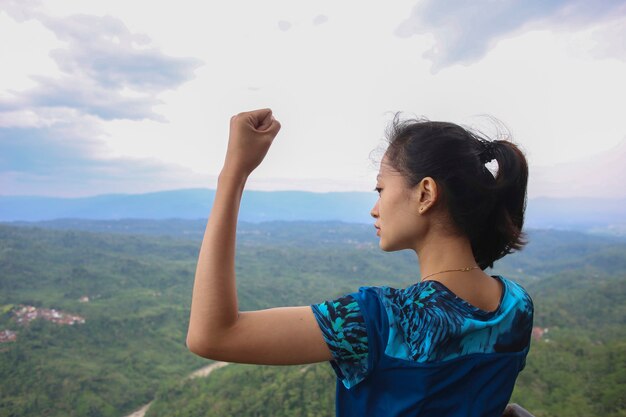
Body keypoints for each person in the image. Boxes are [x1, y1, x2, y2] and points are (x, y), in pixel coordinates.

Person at [186, 108, 534, 417]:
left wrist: (233, 173)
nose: (375, 208)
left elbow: (213, 335)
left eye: (380, 189)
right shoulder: (517, 308)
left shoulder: (381, 321)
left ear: (425, 194)